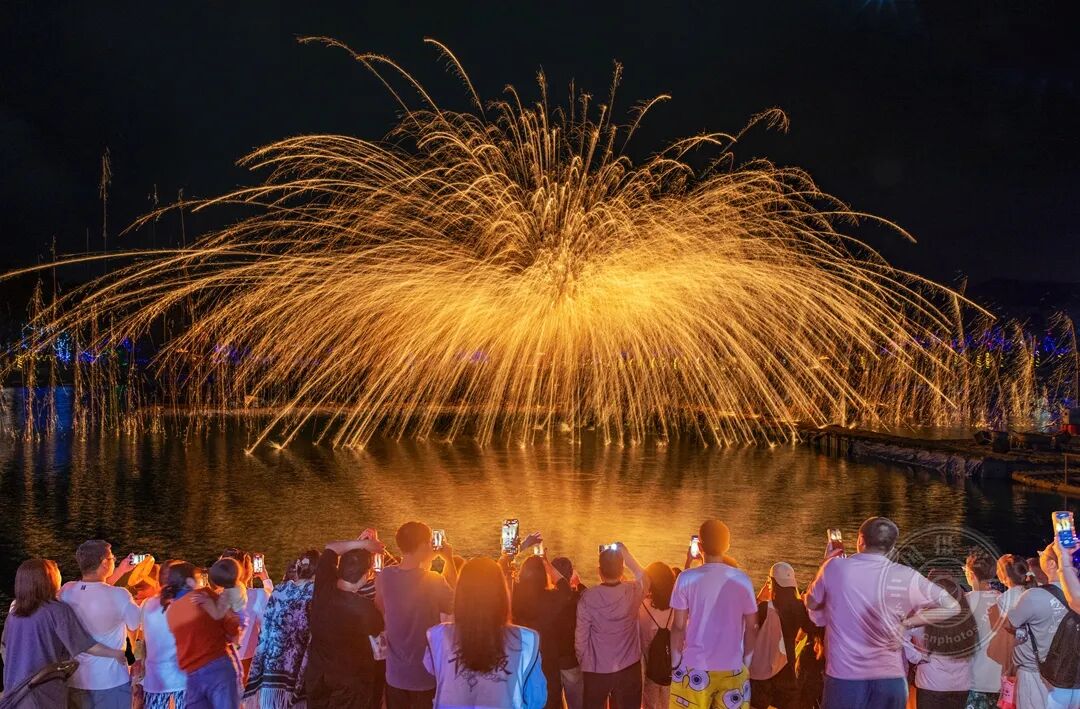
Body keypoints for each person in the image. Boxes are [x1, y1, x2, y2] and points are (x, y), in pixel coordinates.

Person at [804, 517, 960, 709]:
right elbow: (952, 607)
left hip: (846, 678)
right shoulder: (906, 575)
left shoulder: (834, 567)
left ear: (860, 540)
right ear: (892, 547)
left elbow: (811, 602)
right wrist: (907, 623)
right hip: (890, 680)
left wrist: (825, 564)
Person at [0, 559, 127, 707]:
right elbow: (84, 644)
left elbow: (4, 647)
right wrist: (116, 653)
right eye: (57, 572)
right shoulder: (56, 610)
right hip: (42, 691)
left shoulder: (14, 614)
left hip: (14, 692)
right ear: (48, 579)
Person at [424, 557, 547, 708]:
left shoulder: (438, 635)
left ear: (460, 596)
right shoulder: (526, 640)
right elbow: (537, 698)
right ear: (502, 595)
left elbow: (432, 668)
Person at [669, 520, 757, 709]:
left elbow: (678, 626)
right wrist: (745, 664)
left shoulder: (686, 578)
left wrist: (676, 663)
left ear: (700, 547)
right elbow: (752, 627)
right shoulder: (743, 580)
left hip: (694, 667)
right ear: (727, 546)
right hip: (732, 667)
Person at [375, 521, 458, 708]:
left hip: (395, 674)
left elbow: (381, 603)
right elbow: (456, 603)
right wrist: (448, 559)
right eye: (428, 542)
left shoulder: (386, 576)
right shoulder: (434, 581)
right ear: (422, 545)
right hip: (424, 675)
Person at [59, 539, 143, 709]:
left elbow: (94, 592)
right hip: (111, 681)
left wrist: (120, 570)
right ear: (104, 562)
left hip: (76, 680)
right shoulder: (120, 595)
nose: (114, 560)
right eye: (112, 558)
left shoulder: (67, 591)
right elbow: (136, 624)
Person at [305, 538, 386, 709]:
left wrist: (364, 544)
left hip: (318, 676)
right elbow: (380, 625)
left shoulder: (323, 585)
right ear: (366, 576)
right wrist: (379, 588)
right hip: (349, 684)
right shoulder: (364, 608)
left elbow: (331, 547)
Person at [575, 542, 648, 709]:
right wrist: (626, 555)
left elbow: (581, 639)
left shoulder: (588, 598)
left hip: (596, 668)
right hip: (629, 667)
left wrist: (584, 662)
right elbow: (645, 578)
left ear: (599, 571)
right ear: (622, 570)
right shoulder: (632, 591)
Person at [243, 550, 320, 708]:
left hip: (272, 670)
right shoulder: (316, 593)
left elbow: (266, 628)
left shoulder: (279, 591)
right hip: (298, 669)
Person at [1005, 543, 1077, 709]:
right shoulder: (1077, 596)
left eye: (1043, 553)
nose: (1040, 554)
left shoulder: (1034, 596)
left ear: (1051, 564)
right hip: (1074, 677)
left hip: (1038, 675)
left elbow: (1009, 623)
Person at [166, 560, 244, 708]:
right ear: (190, 581)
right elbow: (232, 625)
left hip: (192, 676)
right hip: (218, 667)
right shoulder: (203, 595)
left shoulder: (171, 612)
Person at [904, 576, 978, 709]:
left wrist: (917, 657)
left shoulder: (923, 619)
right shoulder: (966, 621)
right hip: (961, 684)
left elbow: (901, 635)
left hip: (932, 682)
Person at [512, 551, 574, 709]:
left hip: (521, 659)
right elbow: (566, 589)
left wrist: (512, 554)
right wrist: (547, 564)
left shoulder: (514, 596)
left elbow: (501, 582)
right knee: (550, 699)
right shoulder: (550, 599)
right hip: (547, 661)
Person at [749, 562, 816, 709]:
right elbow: (811, 628)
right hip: (787, 667)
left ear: (772, 583)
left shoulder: (764, 608)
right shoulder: (800, 607)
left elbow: (746, 627)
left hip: (763, 668)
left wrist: (759, 599)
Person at [139, 561, 190, 709]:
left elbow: (143, 639)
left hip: (155, 679)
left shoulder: (147, 604)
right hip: (184, 679)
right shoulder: (189, 605)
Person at [221, 549, 274, 684]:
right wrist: (264, 577)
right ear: (247, 570)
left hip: (219, 663)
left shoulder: (212, 597)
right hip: (247, 663)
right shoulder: (259, 595)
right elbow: (275, 610)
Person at [964, 552, 1004, 709]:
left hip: (975, 680)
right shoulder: (1003, 599)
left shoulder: (964, 603)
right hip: (1002, 680)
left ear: (971, 574)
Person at [638, 562, 676, 709]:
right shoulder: (678, 607)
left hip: (650, 669)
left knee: (650, 705)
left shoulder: (642, 606)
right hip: (672, 670)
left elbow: (642, 641)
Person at [551, 556, 585, 709]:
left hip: (551, 661)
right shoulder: (579, 598)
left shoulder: (546, 599)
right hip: (572, 659)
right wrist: (579, 584)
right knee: (577, 703)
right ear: (571, 574)